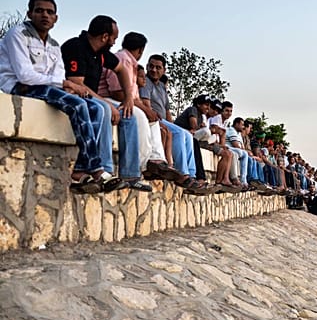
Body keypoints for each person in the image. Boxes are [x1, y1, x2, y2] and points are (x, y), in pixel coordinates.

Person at [0, 0, 116, 193]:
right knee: (78, 104)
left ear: (56, 18)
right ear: (29, 13)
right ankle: (96, 168)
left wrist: (63, 84)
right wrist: (64, 84)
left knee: (96, 108)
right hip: (20, 87)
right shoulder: (17, 34)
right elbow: (25, 75)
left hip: (45, 88)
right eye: (39, 10)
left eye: (50, 12)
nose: (44, 15)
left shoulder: (53, 45)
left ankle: (80, 169)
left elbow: (58, 73)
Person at [61, 15, 142, 192]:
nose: (114, 42)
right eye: (114, 38)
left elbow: (121, 70)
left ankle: (130, 175)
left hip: (92, 97)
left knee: (129, 115)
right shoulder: (76, 47)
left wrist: (129, 97)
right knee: (104, 109)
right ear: (105, 37)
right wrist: (106, 102)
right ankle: (105, 170)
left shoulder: (102, 54)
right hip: (74, 94)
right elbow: (77, 83)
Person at [98, 31, 182, 190]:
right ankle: (143, 166)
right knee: (140, 116)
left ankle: (156, 160)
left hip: (121, 100)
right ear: (141, 50)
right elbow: (117, 91)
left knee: (152, 117)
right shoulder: (122, 59)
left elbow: (131, 95)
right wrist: (143, 108)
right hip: (108, 98)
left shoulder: (130, 63)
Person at [139, 54, 209, 194]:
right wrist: (169, 126)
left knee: (187, 135)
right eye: (151, 66)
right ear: (147, 66)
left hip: (163, 119)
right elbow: (147, 106)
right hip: (153, 118)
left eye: (158, 67)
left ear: (164, 70)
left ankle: (191, 175)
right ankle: (182, 174)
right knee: (178, 133)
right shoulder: (145, 82)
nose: (153, 70)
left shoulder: (161, 87)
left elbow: (167, 111)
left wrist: (172, 125)